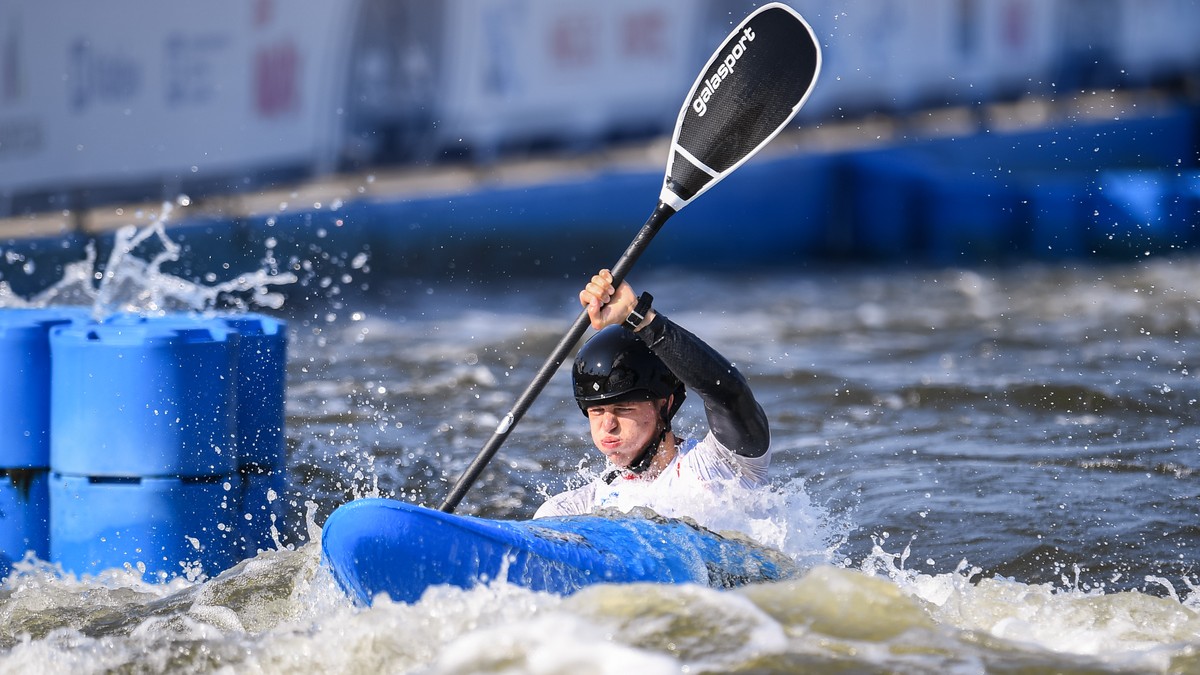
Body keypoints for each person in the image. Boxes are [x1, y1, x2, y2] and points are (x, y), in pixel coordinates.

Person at [534, 269, 772, 519]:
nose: (608, 425)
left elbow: (729, 394)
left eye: (624, 409)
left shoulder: (724, 466)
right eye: (596, 411)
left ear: (666, 405)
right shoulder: (573, 509)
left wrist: (640, 318)